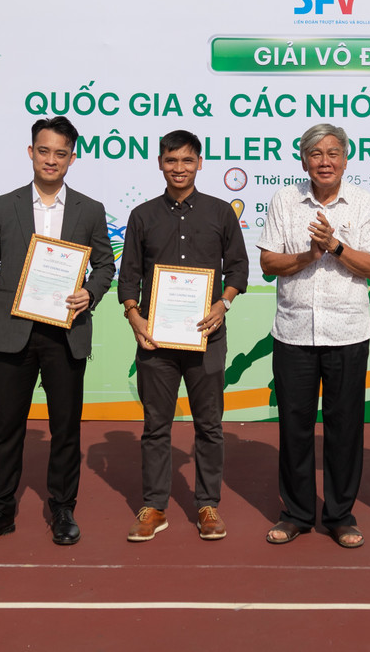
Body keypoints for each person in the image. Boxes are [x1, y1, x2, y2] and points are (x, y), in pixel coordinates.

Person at [0, 116, 116, 549]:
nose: (51, 160)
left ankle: (63, 509)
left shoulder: (90, 209)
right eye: (44, 151)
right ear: (30, 152)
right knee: (8, 426)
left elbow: (105, 265)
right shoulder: (4, 206)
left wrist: (90, 292)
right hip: (15, 332)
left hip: (66, 332)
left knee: (66, 428)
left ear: (72, 158)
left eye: (61, 153)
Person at [118, 131, 249, 543]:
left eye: (187, 160)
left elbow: (239, 269)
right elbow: (129, 275)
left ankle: (207, 505)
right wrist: (134, 317)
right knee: (156, 425)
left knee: (209, 425)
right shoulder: (142, 215)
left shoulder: (220, 212)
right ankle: (154, 506)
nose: (179, 168)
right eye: (171, 160)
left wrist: (222, 304)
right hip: (155, 341)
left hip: (206, 337)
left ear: (200, 163)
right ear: (160, 163)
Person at [259, 124, 370, 549]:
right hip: (293, 332)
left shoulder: (364, 203)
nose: (325, 161)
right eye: (316, 154)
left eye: (333, 153)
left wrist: (334, 247)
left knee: (344, 428)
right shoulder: (284, 200)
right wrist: (309, 254)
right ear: (304, 161)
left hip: (347, 331)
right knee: (294, 427)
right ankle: (296, 513)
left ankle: (340, 515)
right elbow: (268, 263)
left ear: (346, 159)